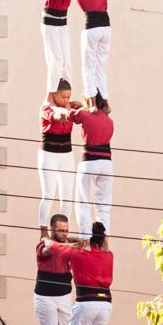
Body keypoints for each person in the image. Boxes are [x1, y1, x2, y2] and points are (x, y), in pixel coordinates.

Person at [35, 215, 75, 325]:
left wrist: (70, 239)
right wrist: (70, 244)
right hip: (45, 297)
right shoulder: (42, 245)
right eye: (61, 231)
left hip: (64, 296)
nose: (65, 234)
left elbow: (85, 243)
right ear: (52, 229)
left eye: (67, 231)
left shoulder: (67, 245)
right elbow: (50, 250)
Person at [71, 97, 114, 240]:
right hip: (107, 164)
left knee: (83, 203)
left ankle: (86, 240)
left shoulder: (84, 115)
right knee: (103, 206)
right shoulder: (109, 121)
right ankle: (105, 240)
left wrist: (80, 106)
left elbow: (71, 115)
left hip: (89, 162)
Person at [38, 82, 78, 234]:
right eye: (63, 96)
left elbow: (82, 110)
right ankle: (43, 230)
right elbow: (57, 117)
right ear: (54, 94)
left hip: (67, 155)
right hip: (49, 155)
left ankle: (64, 231)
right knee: (48, 194)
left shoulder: (69, 106)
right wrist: (67, 111)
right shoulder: (46, 108)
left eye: (69, 96)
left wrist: (76, 106)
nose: (67, 99)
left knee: (67, 196)